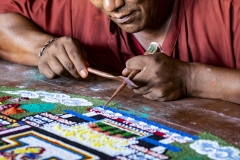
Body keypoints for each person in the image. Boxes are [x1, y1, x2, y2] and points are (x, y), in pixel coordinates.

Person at [0, 0, 240, 104]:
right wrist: (43, 47)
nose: (110, 5)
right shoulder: (79, 8)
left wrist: (192, 78)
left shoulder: (228, 10)